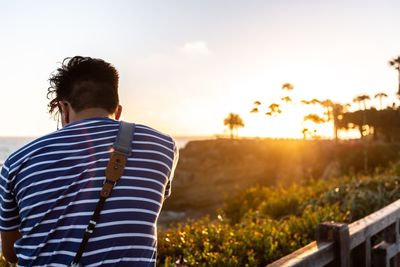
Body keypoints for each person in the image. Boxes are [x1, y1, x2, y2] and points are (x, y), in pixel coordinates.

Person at [0, 56, 178, 266]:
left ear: (64, 109)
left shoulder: (17, 162)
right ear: (118, 111)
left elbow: (11, 253)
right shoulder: (164, 146)